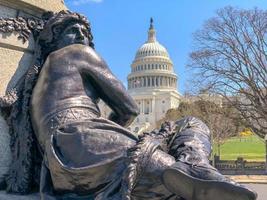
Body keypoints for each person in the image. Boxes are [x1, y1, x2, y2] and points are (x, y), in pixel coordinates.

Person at [1, 10, 257, 200]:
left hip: (59, 169)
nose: (81, 36)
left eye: (84, 32)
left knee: (160, 183)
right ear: (54, 39)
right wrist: (111, 131)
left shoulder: (33, 85)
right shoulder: (77, 53)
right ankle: (194, 167)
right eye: (73, 30)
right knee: (190, 124)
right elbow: (129, 109)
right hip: (84, 138)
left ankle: (187, 170)